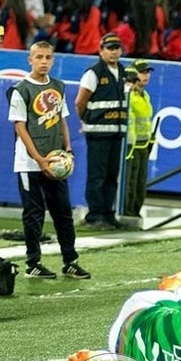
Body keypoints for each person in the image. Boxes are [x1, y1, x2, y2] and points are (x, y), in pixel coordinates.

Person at [7, 41, 91, 280]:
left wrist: (68, 149)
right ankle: (33, 263)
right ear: (30, 60)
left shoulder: (58, 87)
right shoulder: (21, 89)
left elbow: (62, 119)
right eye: (39, 57)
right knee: (33, 214)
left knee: (63, 212)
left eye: (48, 57)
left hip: (55, 162)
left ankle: (70, 261)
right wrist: (39, 159)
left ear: (53, 61)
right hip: (29, 163)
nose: (43, 61)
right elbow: (20, 127)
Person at [75, 33, 128, 230]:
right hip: (97, 132)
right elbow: (80, 102)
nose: (113, 52)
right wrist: (87, 120)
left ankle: (108, 213)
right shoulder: (93, 73)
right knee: (97, 176)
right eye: (109, 48)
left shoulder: (124, 72)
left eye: (117, 48)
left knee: (111, 175)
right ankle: (95, 215)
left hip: (116, 131)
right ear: (101, 51)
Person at [123, 59, 155, 218]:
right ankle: (128, 213)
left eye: (148, 72)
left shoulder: (145, 95)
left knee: (140, 184)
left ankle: (136, 213)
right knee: (130, 182)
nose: (146, 75)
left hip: (144, 146)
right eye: (142, 72)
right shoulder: (128, 95)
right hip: (132, 147)